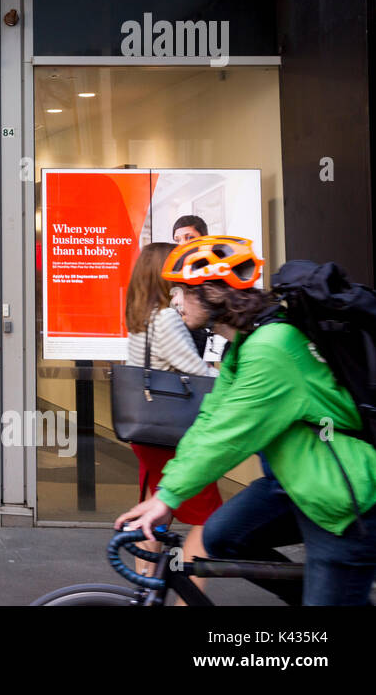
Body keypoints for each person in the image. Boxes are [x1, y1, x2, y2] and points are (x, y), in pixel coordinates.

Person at [116, 236, 376, 605]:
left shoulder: (271, 348)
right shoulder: (243, 345)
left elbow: (230, 434)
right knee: (221, 536)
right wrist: (169, 493)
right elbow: (210, 420)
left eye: (180, 291)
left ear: (210, 292)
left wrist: (170, 495)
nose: (173, 301)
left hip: (342, 500)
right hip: (293, 486)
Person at [122, 242, 221, 589]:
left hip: (148, 431)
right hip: (173, 436)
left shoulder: (139, 315)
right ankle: (187, 599)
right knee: (210, 522)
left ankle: (145, 589)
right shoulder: (165, 318)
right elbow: (196, 373)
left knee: (153, 511)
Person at [171, 215, 214, 357]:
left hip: (206, 332)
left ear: (204, 238)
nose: (183, 244)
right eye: (178, 240)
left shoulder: (214, 266)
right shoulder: (176, 268)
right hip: (180, 333)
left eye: (189, 238)